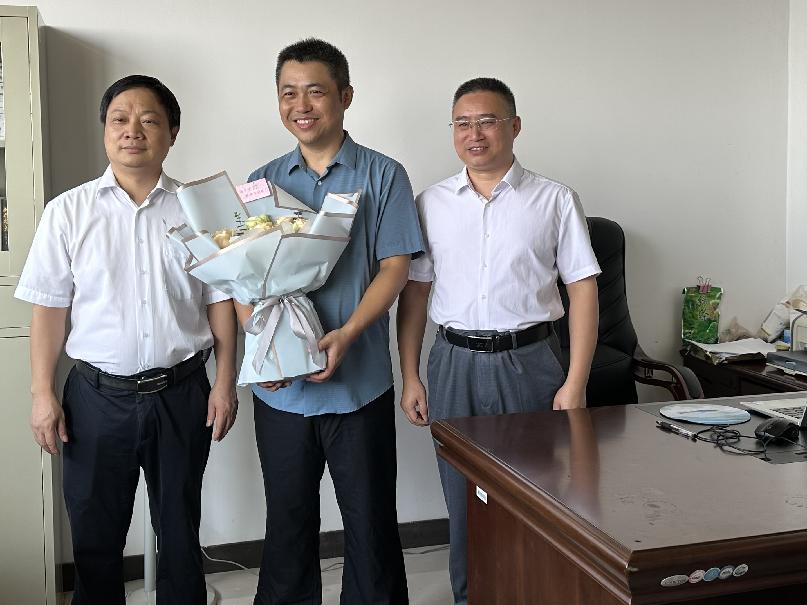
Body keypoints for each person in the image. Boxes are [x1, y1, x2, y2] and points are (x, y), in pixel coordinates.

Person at [15, 75, 238, 605]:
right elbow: (49, 310)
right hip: (95, 399)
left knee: (180, 532)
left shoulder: (201, 209)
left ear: (172, 133)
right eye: (120, 119)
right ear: (105, 129)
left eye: (149, 120)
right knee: (95, 539)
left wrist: (224, 383)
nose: (132, 130)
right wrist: (42, 393)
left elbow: (221, 301)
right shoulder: (67, 211)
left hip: (181, 394)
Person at [396, 77, 600, 605]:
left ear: (514, 126)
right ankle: (470, 597)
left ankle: (532, 593)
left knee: (539, 494)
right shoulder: (430, 203)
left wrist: (575, 382)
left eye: (487, 121)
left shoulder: (555, 199)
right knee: (460, 494)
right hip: (453, 362)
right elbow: (415, 295)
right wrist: (411, 375)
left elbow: (583, 290)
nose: (475, 134)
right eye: (463, 123)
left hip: (530, 362)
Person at [233, 39, 423, 605]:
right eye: (288, 93)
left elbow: (395, 268)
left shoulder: (383, 175)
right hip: (281, 392)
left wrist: (349, 333)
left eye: (315, 91)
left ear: (345, 95)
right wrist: (262, 348)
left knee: (371, 526)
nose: (301, 105)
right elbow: (240, 276)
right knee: (286, 526)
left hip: (359, 386)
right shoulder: (259, 182)